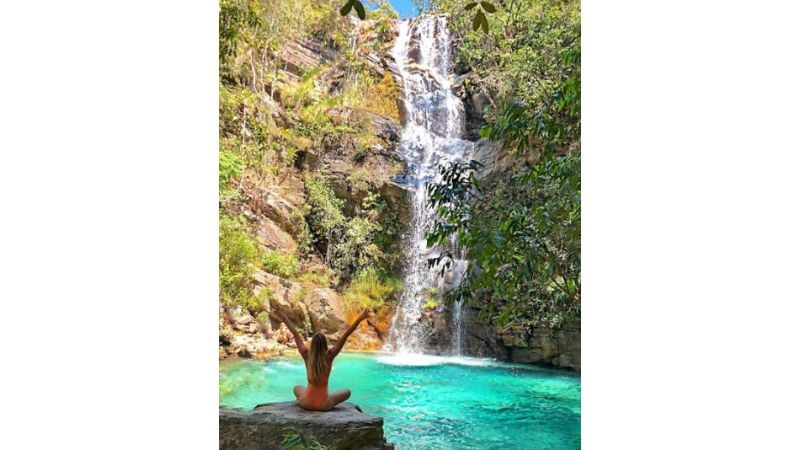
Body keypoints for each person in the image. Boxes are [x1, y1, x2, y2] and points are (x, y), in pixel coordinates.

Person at [271, 307, 371, 411]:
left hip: (305, 403)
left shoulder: (306, 354)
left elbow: (295, 333)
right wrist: (360, 318)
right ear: (325, 345)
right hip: (324, 405)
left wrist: (282, 315)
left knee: (296, 388)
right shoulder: (329, 356)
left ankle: (309, 397)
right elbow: (345, 335)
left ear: (313, 344)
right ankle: (323, 397)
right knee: (347, 392)